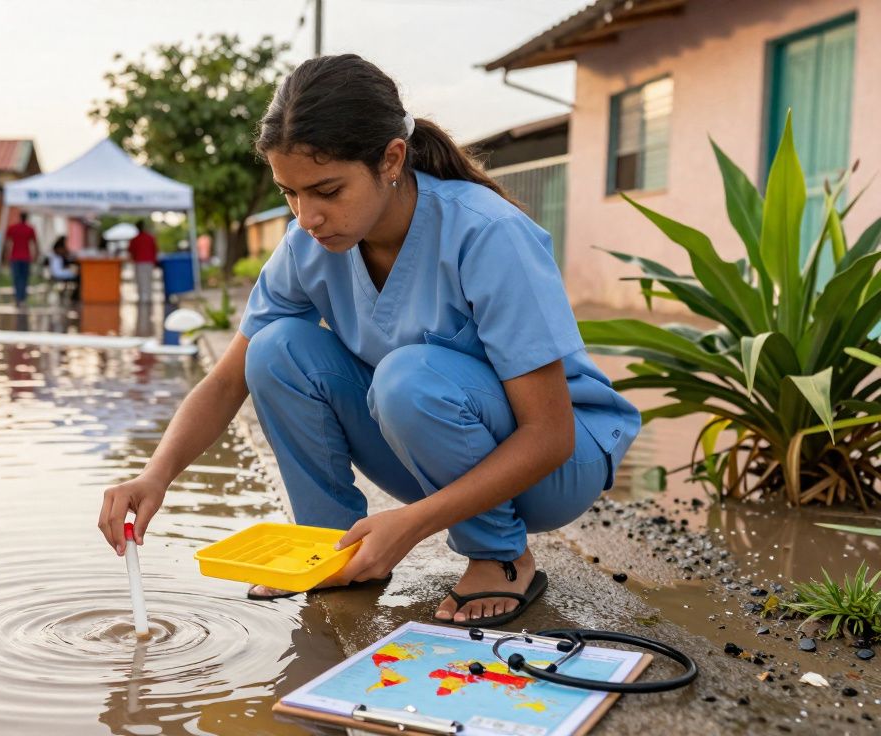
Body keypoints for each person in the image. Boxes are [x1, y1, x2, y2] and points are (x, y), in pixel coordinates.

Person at [98, 55, 640, 627]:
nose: (308, 216)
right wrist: (153, 475)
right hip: (433, 448)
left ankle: (500, 557)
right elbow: (228, 378)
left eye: (327, 190)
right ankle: (336, 545)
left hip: (554, 466)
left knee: (410, 377)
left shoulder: (487, 233)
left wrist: (411, 525)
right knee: (276, 348)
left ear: (391, 159)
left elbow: (549, 435)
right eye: (290, 193)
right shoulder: (308, 244)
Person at [6, 213, 39, 305]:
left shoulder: (13, 228)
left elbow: (7, 242)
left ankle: (18, 297)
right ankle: (22, 297)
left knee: (16, 277)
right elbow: (35, 243)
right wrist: (36, 254)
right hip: (25, 257)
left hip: (15, 256)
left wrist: (6, 255)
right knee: (24, 278)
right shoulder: (30, 229)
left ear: (20, 217)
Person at [128, 220, 158, 303]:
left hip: (139, 263)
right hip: (148, 262)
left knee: (141, 281)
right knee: (148, 280)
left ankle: (143, 297)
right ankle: (147, 297)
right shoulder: (150, 238)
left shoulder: (135, 239)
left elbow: (131, 251)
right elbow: (155, 250)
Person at [47, 237, 80, 301]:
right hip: (59, 273)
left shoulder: (55, 253)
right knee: (78, 276)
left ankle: (74, 295)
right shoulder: (58, 251)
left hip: (57, 272)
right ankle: (75, 296)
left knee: (77, 274)